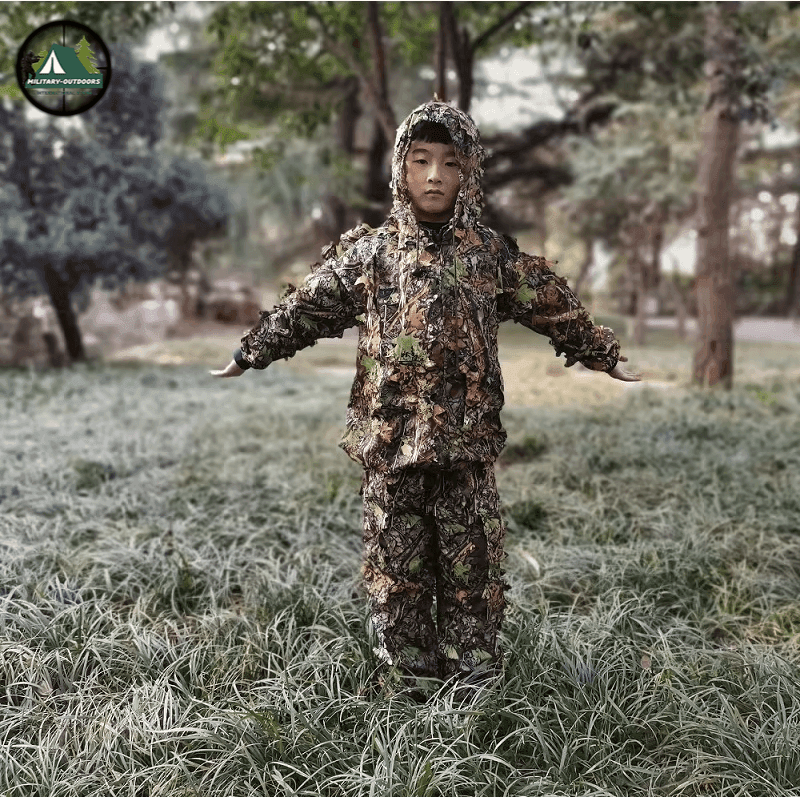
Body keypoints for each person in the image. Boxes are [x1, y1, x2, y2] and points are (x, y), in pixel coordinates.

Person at [211, 100, 639, 698]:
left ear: (469, 173)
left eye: (450, 163)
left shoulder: (488, 256)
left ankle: (477, 685)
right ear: (400, 169)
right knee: (397, 576)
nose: (434, 175)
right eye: (420, 161)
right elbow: (304, 307)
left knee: (474, 575)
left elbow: (551, 302)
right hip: (390, 452)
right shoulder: (371, 255)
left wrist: (600, 351)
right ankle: (411, 686)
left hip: (465, 454)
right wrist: (250, 351)